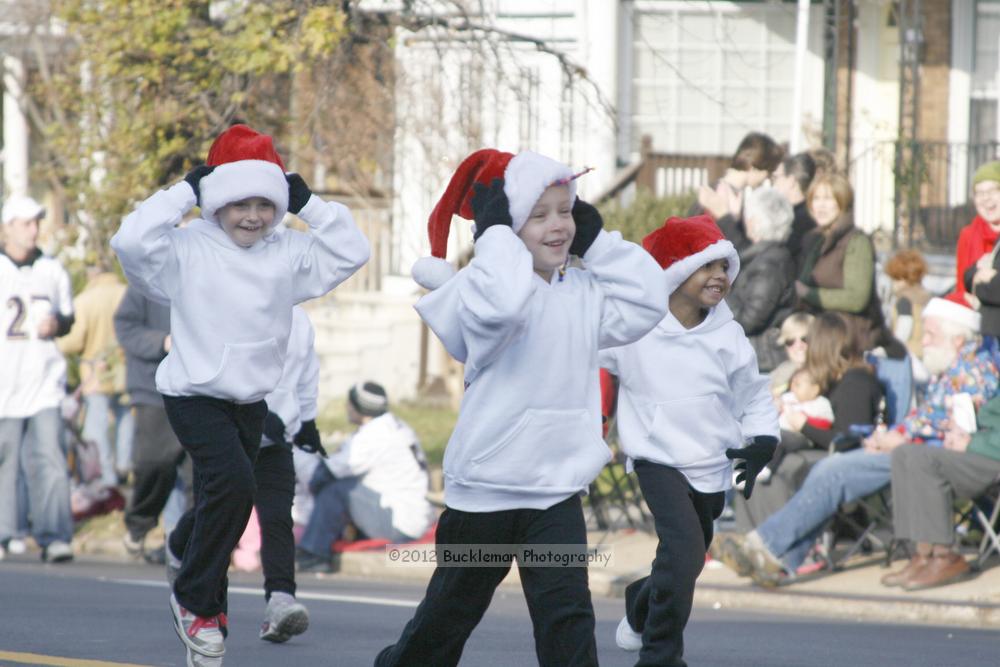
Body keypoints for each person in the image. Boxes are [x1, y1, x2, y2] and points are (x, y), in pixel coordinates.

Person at [375, 147, 667, 667]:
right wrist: (494, 237)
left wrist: (599, 243)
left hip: (554, 490)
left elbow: (649, 300)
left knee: (568, 621)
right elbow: (505, 302)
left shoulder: (584, 291)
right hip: (486, 491)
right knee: (446, 620)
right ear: (506, 230)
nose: (558, 226)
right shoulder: (479, 294)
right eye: (539, 215)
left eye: (566, 211)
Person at [110, 124, 370, 667]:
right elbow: (131, 241)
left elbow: (352, 251)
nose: (252, 216)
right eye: (238, 204)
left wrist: (309, 204)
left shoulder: (287, 252)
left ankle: (187, 555)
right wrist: (184, 191)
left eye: (265, 204)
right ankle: (195, 600)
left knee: (221, 498)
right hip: (193, 393)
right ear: (216, 203)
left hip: (251, 400)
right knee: (234, 482)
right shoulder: (186, 249)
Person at [599, 214, 779, 666]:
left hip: (711, 464)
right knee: (681, 553)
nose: (720, 276)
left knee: (687, 562)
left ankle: (642, 600)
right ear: (677, 272)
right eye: (707, 266)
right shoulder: (632, 327)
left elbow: (754, 394)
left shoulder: (729, 335)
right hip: (655, 458)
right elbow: (581, 353)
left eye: (725, 267)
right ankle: (660, 657)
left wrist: (763, 440)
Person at [720, 298, 999, 586]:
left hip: (931, 453)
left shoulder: (973, 370)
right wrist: (890, 435)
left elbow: (957, 428)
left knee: (835, 471)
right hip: (911, 448)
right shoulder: (955, 367)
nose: (923, 342)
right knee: (830, 470)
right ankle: (780, 560)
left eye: (930, 335)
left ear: (957, 339)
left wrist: (897, 436)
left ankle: (764, 546)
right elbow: (928, 417)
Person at [732, 312, 883, 532]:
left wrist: (803, 425)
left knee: (783, 464)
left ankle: (773, 540)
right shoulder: (830, 378)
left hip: (846, 456)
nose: (803, 348)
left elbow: (846, 440)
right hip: (815, 447)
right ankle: (747, 537)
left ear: (822, 345)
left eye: (808, 341)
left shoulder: (855, 383)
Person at [0, 195, 76, 563]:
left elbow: (68, 317)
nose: (33, 230)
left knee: (50, 458)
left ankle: (55, 534)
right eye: (26, 223)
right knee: (5, 458)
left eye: (36, 223)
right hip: (5, 382)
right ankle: (5, 531)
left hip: (44, 379)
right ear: (8, 228)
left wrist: (56, 324)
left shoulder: (52, 269)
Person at [295, 381, 433, 573]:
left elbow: (325, 474)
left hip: (398, 522)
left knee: (337, 490)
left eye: (350, 403)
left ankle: (315, 553)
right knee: (345, 486)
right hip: (410, 515)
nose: (347, 407)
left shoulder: (374, 435)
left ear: (360, 407)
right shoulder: (393, 424)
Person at [253, 305, 327, 643]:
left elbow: (307, 372)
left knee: (278, 518)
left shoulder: (299, 318)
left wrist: (308, 421)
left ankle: (280, 602)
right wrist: (254, 412)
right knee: (219, 515)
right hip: (229, 435)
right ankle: (183, 551)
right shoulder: (239, 301)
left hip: (276, 440)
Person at [884, 396, 1000, 590]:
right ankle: (923, 554)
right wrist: (960, 428)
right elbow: (988, 417)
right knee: (903, 453)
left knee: (926, 461)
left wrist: (972, 443)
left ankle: (945, 556)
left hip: (992, 457)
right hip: (982, 447)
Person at [114, 285, 192, 561]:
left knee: (201, 473)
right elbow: (125, 327)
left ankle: (191, 544)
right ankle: (139, 524)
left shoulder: (212, 271)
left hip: (200, 389)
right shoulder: (147, 282)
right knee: (155, 463)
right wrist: (162, 342)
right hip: (153, 387)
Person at [796, 172, 903, 358]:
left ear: (842, 202)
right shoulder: (813, 240)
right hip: (821, 337)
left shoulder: (856, 241)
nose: (820, 205)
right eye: (816, 198)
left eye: (828, 198)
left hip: (851, 341)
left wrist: (810, 294)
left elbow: (857, 298)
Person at [57, 266, 132, 488]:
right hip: (124, 370)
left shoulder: (85, 300)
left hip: (94, 374)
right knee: (125, 418)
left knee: (96, 425)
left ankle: (106, 478)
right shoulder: (126, 292)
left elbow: (72, 341)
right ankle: (124, 465)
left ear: (91, 274)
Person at [725, 186, 796, 372]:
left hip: (763, 360)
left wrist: (721, 289)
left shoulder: (770, 264)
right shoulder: (762, 257)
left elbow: (749, 320)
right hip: (754, 355)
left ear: (755, 221)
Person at [694, 131, 784, 254]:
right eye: (767, 172)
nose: (766, 179)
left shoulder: (731, 193)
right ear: (754, 167)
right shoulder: (717, 195)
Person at [951, 161, 1000, 309]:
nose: (986, 199)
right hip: (976, 317)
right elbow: (961, 286)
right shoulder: (968, 234)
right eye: (979, 193)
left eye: (992, 191)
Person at [771, 152, 818, 268]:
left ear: (791, 181)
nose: (773, 184)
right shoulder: (808, 213)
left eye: (776, 177)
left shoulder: (801, 219)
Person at [884, 249, 932, 362]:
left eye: (895, 279)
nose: (893, 284)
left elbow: (904, 328)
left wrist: (892, 348)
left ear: (904, 279)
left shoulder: (904, 301)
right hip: (923, 353)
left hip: (907, 355)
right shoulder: (926, 298)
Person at [769, 312, 813, 398]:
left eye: (805, 339)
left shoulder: (821, 372)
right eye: (790, 341)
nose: (798, 346)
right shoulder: (782, 369)